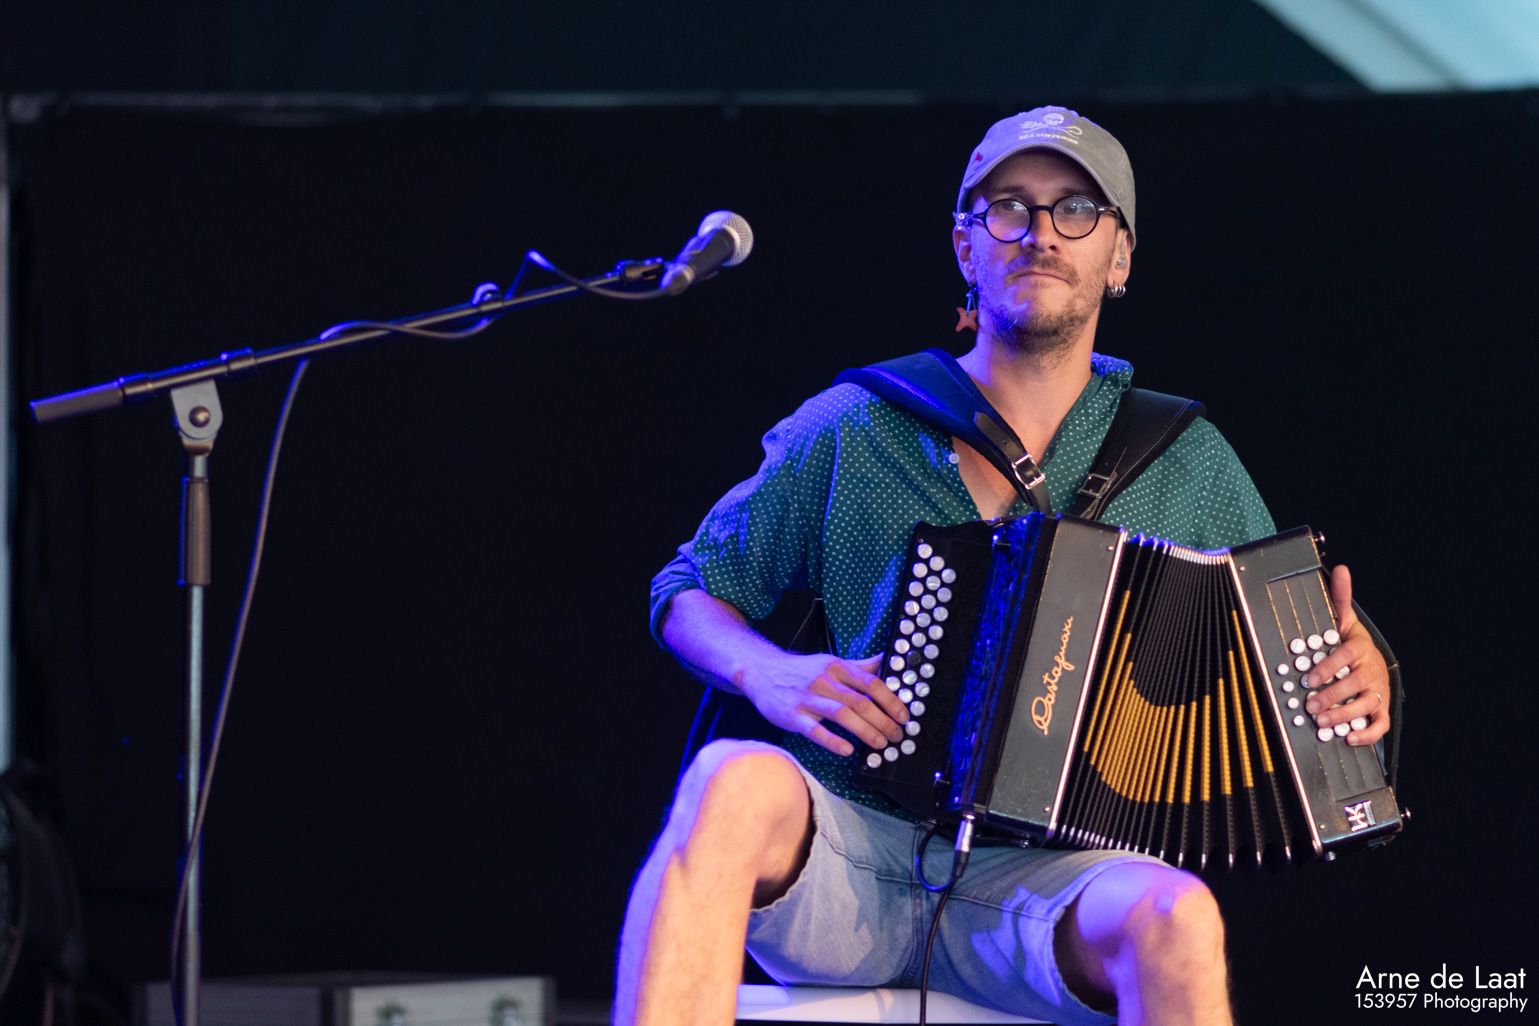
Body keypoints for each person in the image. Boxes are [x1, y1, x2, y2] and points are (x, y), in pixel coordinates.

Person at [617, 107, 1392, 1026]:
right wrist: (768, 672)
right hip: (848, 853)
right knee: (729, 781)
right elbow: (687, 590)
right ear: (964, 245)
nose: (1039, 234)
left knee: (1177, 914)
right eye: (1008, 208)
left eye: (1076, 210)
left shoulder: (1186, 460)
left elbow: (1294, 654)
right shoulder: (856, 424)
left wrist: (1362, 670)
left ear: (1119, 257)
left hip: (1043, 892)